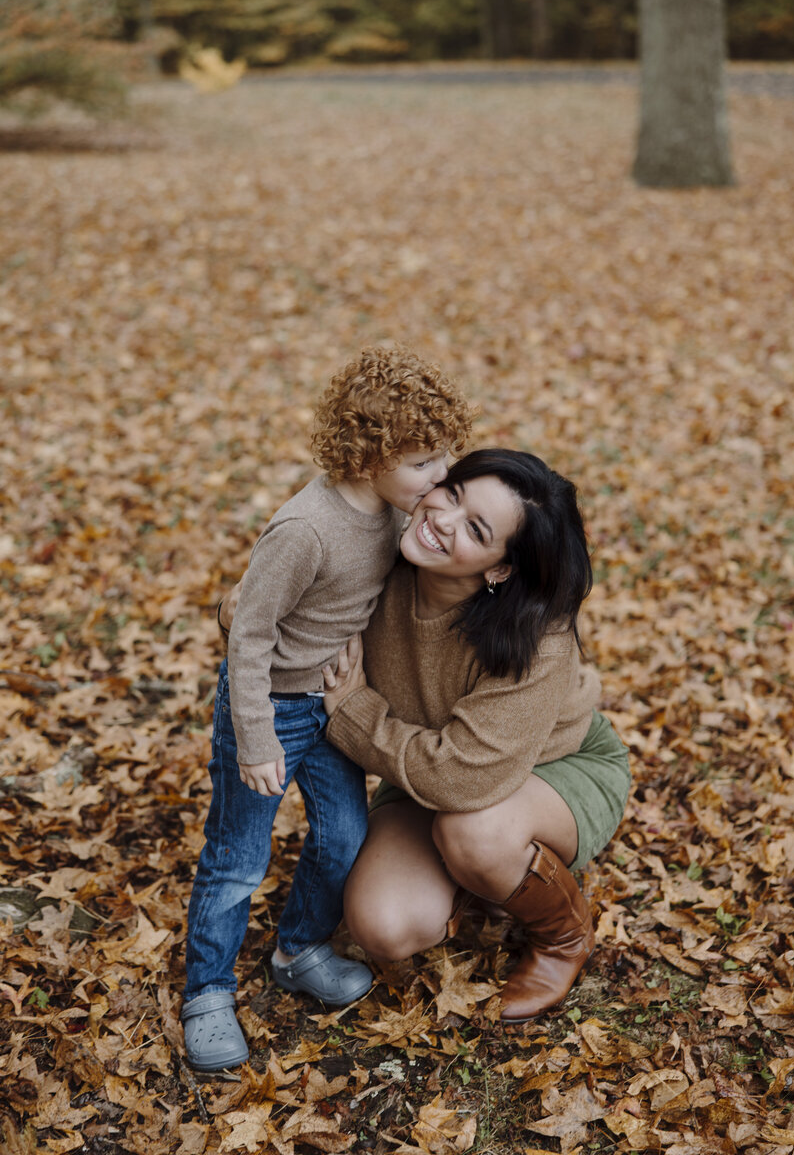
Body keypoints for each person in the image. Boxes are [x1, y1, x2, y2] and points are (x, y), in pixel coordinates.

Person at [182, 347, 474, 1072]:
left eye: (445, 456)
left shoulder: (398, 517)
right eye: (421, 462)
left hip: (332, 708)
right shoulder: (306, 529)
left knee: (343, 838)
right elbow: (248, 632)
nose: (440, 478)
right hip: (270, 709)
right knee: (238, 858)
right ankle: (207, 992)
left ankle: (298, 946)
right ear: (366, 455)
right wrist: (252, 738)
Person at [321, 448, 631, 1023]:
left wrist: (354, 711)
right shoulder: (378, 549)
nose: (442, 520)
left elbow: (463, 778)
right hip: (421, 763)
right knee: (384, 928)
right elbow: (283, 594)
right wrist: (239, 612)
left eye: (476, 529)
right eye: (455, 494)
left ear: (500, 568)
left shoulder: (537, 639)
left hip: (553, 766)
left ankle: (561, 937)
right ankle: (475, 879)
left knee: (475, 831)